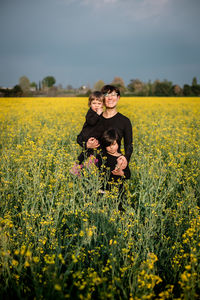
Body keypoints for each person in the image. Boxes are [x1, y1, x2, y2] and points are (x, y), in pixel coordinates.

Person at [86, 85, 133, 175]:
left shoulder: (124, 121)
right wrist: (87, 144)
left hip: (113, 165)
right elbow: (81, 137)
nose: (110, 98)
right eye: (106, 95)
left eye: (113, 95)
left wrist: (126, 158)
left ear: (118, 97)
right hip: (93, 166)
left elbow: (129, 145)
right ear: (102, 99)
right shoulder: (95, 118)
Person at [76, 91, 104, 164]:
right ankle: (77, 168)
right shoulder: (90, 113)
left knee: (92, 155)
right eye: (94, 103)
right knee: (85, 154)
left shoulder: (102, 114)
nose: (96, 106)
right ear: (90, 104)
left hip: (94, 139)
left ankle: (88, 168)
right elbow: (92, 122)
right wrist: (98, 114)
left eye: (99, 103)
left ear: (103, 105)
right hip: (86, 137)